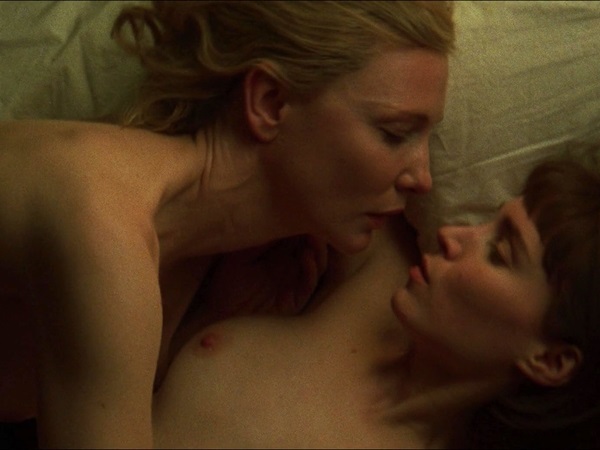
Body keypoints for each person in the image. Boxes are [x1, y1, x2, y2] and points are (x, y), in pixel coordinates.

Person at [0, 1, 454, 447]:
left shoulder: (185, 254)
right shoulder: (104, 226)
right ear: (269, 102)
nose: (423, 178)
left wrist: (206, 319)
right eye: (394, 133)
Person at [151, 159, 600, 448]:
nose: (452, 234)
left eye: (499, 253)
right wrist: (214, 311)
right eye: (488, 221)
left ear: (550, 360)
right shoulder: (382, 266)